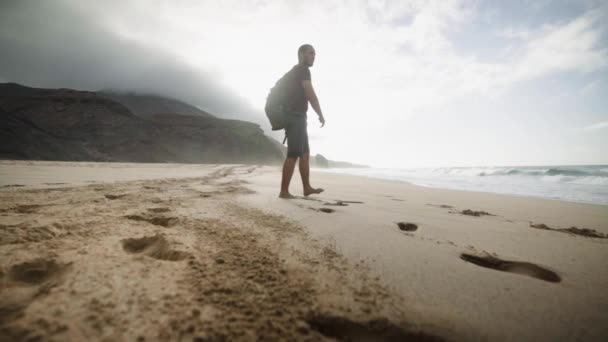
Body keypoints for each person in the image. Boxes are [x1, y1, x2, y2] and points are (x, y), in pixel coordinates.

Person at [278, 44, 326, 199]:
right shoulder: (302, 70)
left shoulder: (295, 71)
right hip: (295, 116)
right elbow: (310, 94)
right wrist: (320, 113)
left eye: (315, 54)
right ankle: (284, 191)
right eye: (310, 53)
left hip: (298, 117)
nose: (314, 56)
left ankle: (306, 188)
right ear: (301, 54)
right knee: (293, 154)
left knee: (305, 153)